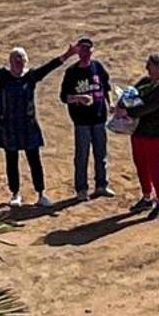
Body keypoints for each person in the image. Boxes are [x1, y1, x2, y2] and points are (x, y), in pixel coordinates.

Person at [0, 36, 74, 208]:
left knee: (34, 160)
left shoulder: (31, 77)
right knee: (12, 161)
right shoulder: (3, 76)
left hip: (28, 126)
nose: (18, 61)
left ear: (25, 61)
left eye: (21, 58)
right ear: (10, 61)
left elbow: (50, 67)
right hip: (9, 128)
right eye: (14, 58)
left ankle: (41, 194)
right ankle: (15, 194)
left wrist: (68, 54)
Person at [59, 36, 114, 201]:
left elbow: (106, 87)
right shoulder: (72, 72)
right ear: (78, 51)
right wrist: (79, 98)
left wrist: (110, 103)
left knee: (101, 154)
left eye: (88, 49)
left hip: (99, 118)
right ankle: (81, 189)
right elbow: (64, 97)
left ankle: (101, 185)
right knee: (82, 156)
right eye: (82, 49)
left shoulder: (98, 67)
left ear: (92, 51)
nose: (85, 52)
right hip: (81, 121)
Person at [126, 52, 159, 220]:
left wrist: (127, 111)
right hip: (139, 131)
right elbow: (130, 94)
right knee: (141, 164)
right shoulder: (146, 82)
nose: (148, 68)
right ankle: (147, 197)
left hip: (155, 134)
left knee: (155, 168)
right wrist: (122, 104)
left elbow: (148, 107)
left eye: (152, 65)